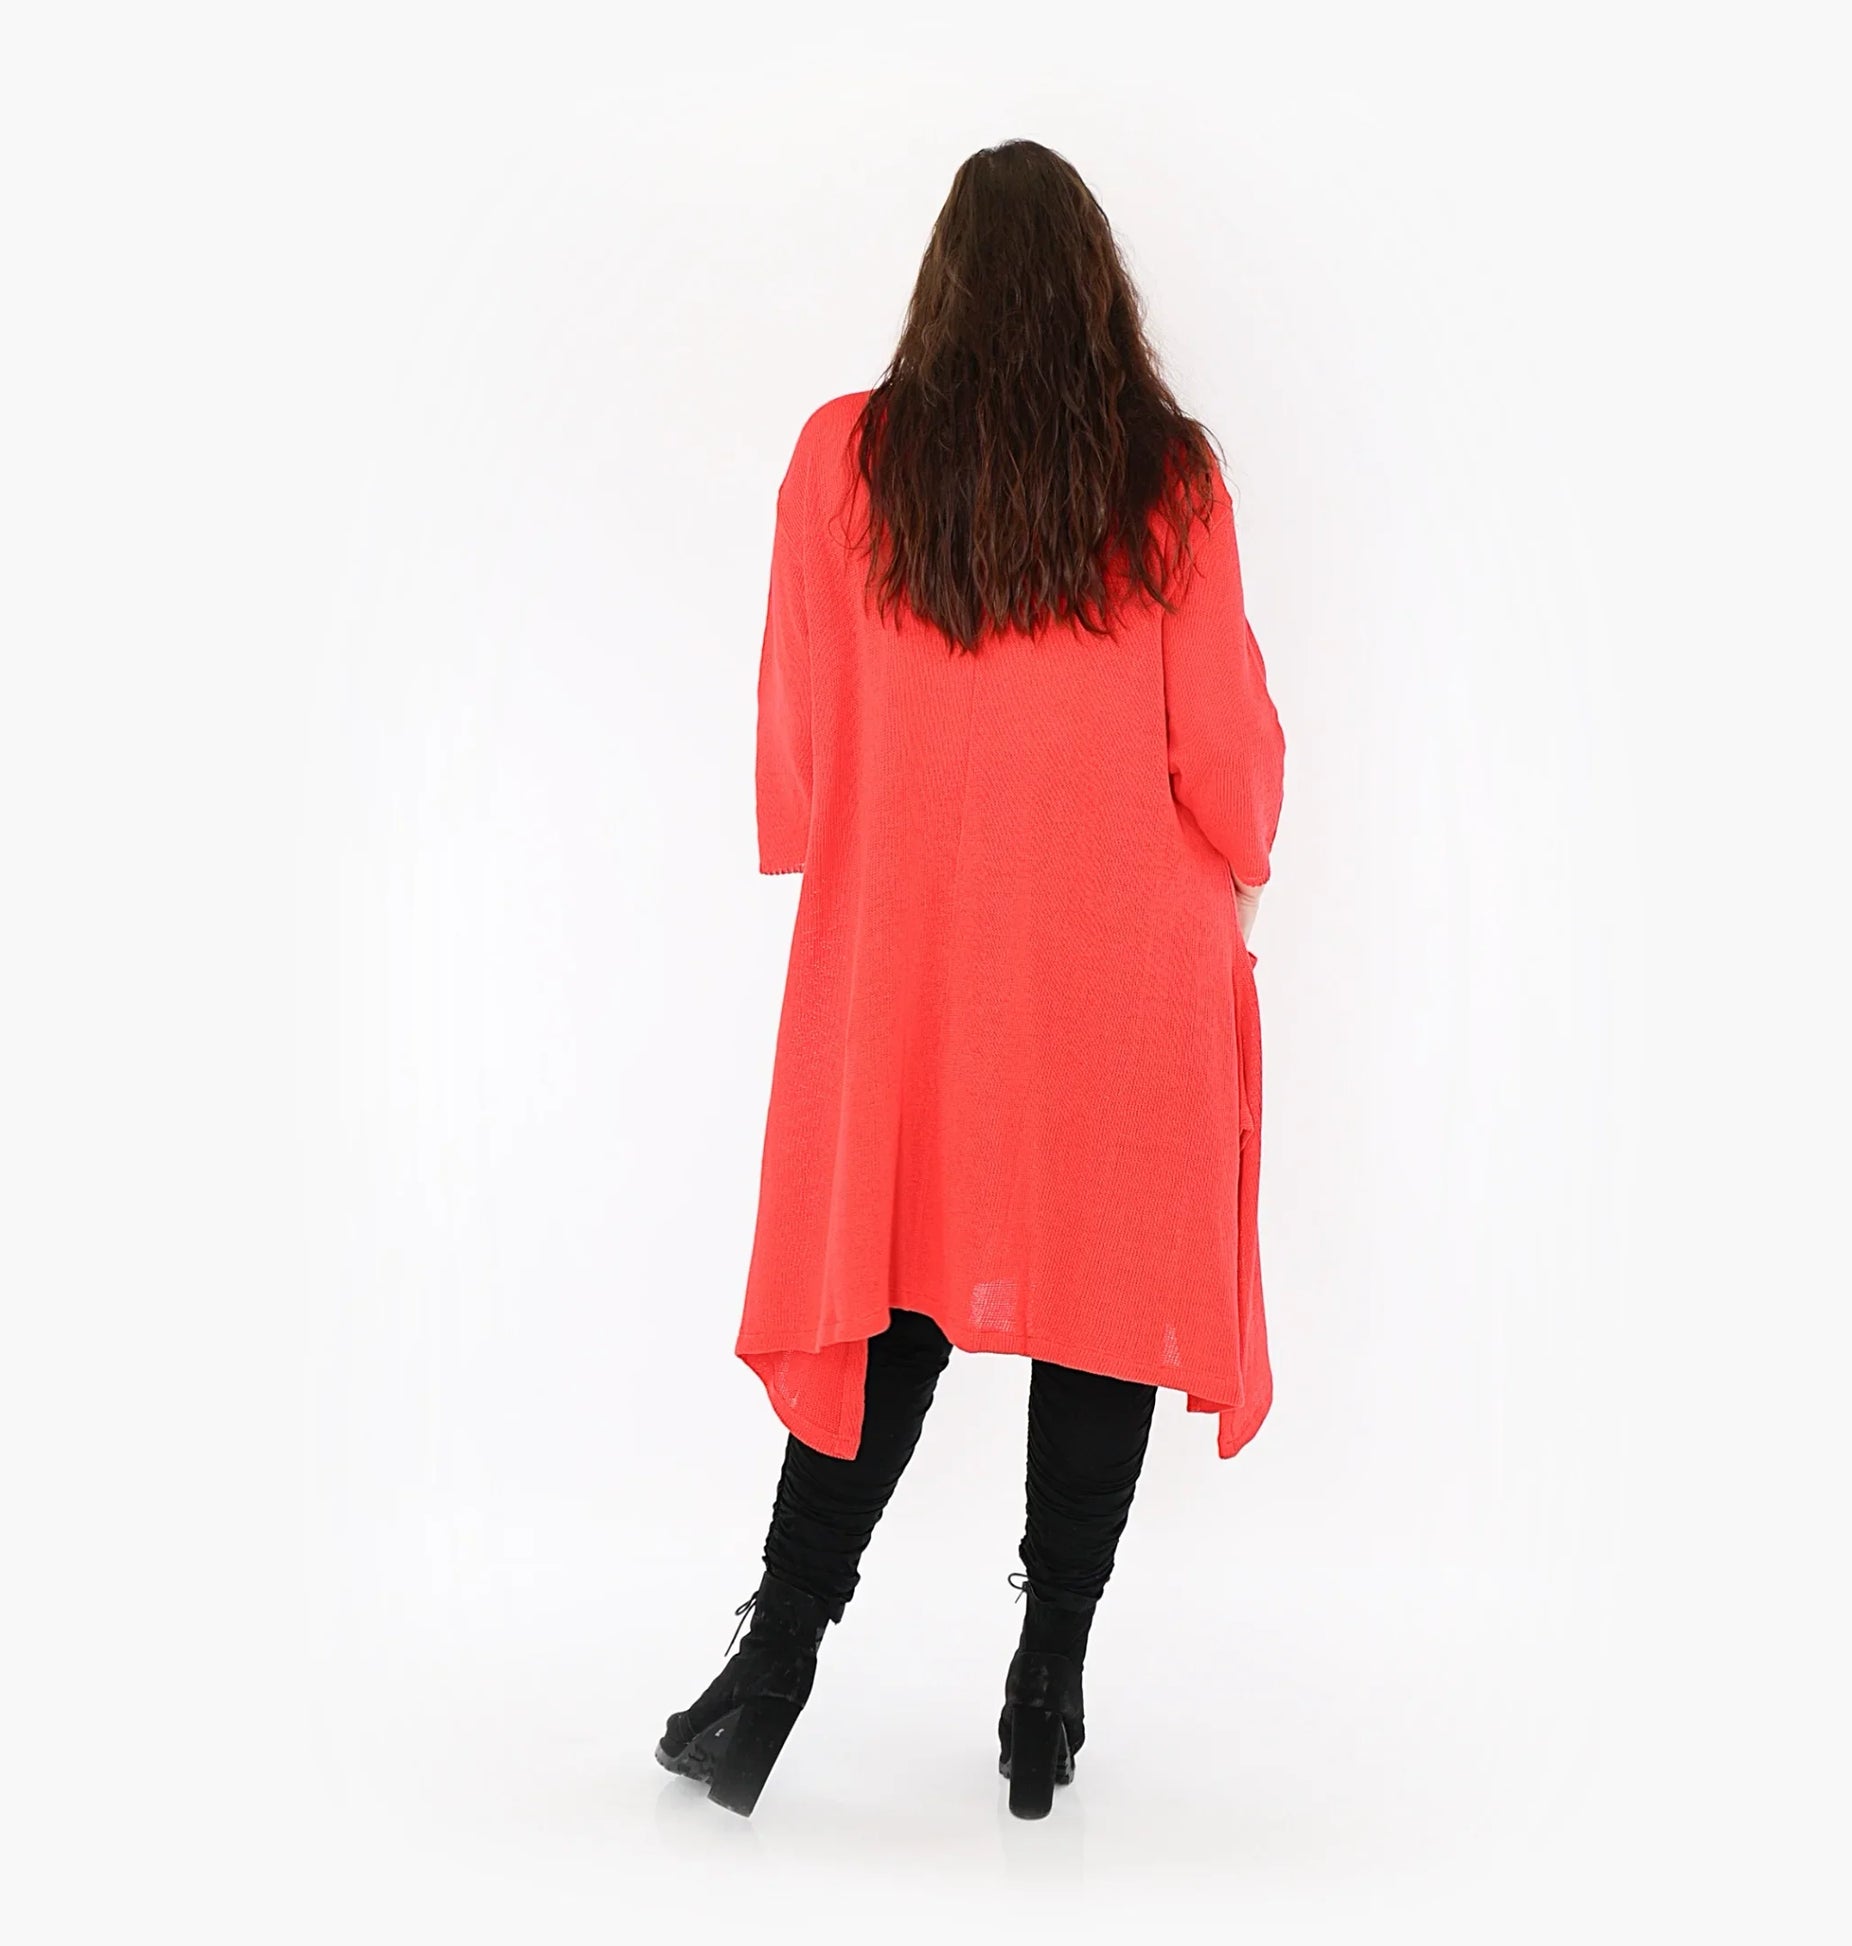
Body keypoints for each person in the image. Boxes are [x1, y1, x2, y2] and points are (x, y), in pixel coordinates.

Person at [657, 139, 1285, 1820]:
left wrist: (839, 837)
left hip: (918, 967)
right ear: (1096, 291)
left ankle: (773, 1663)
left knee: (893, 1297)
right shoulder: (1164, 477)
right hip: (1120, 966)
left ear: (939, 285)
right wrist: (1247, 858)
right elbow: (1222, 749)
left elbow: (802, 719)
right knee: (1102, 1305)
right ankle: (1043, 1691)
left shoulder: (841, 459)